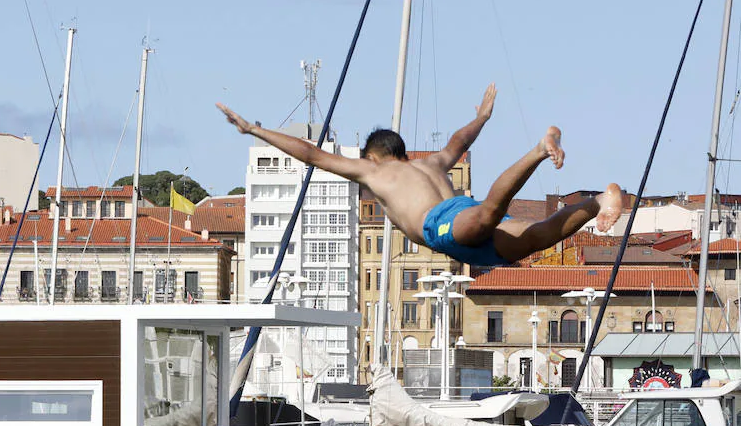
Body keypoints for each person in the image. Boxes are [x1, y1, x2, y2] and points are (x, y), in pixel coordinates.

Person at [217, 84, 623, 267]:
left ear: (374, 156)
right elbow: (458, 142)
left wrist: (255, 130)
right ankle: (595, 203)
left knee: (488, 215)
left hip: (444, 223)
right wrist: (481, 116)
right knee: (536, 236)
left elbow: (312, 154)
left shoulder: (376, 172)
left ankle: (538, 151)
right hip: (461, 222)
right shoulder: (430, 164)